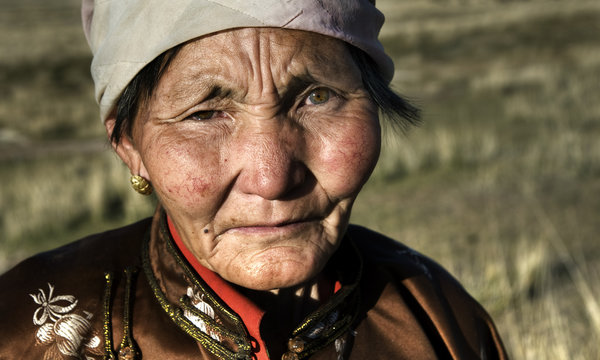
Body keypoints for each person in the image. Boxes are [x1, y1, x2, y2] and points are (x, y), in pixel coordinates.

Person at [0, 0, 507, 359]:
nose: (271, 178)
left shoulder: (441, 322)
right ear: (130, 147)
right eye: (204, 113)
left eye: (317, 97)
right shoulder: (25, 335)